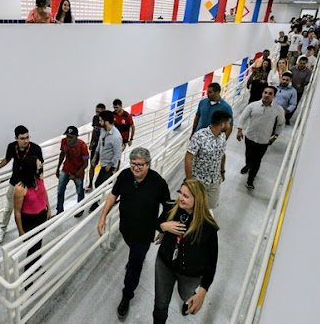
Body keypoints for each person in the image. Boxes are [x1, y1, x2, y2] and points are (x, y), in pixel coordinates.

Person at [96, 147, 171, 319]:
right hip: (126, 229)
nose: (136, 168)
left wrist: (162, 229)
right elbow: (113, 196)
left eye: (141, 165)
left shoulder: (157, 183)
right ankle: (135, 261)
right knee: (133, 255)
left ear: (148, 165)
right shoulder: (124, 176)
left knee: (134, 266)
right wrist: (102, 217)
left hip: (144, 235)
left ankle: (126, 296)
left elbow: (168, 206)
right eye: (133, 164)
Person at [153, 180, 219, 323]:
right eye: (180, 193)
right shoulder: (171, 208)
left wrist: (203, 291)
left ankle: (188, 297)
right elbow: (156, 224)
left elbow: (211, 262)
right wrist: (164, 227)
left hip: (191, 274)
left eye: (186, 196)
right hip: (164, 264)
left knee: (186, 294)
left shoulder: (208, 227)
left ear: (198, 199)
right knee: (160, 304)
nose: (181, 198)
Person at [0, 125, 44, 244]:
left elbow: (40, 166)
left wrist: (39, 183)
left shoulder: (35, 149)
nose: (26, 141)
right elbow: (6, 159)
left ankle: (27, 230)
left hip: (30, 184)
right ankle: (3, 229)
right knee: (9, 209)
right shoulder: (12, 147)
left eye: (27, 137)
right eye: (22, 138)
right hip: (15, 182)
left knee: (27, 210)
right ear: (16, 138)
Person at [237, 86, 285, 189]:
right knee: (248, 155)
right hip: (249, 137)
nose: (267, 95)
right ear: (262, 93)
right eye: (265, 92)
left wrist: (275, 136)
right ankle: (247, 165)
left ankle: (251, 179)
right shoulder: (253, 106)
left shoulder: (278, 110)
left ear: (274, 96)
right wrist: (239, 130)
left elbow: (280, 124)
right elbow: (243, 117)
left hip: (264, 140)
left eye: (270, 93)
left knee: (257, 160)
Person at [185, 110, 232, 209]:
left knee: (210, 207)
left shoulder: (222, 136)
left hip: (214, 180)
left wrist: (222, 171)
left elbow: (222, 154)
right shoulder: (199, 136)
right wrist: (190, 181)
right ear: (222, 124)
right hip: (199, 181)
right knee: (195, 207)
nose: (229, 125)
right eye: (228, 123)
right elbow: (188, 158)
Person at [13, 156, 51, 272]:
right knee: (33, 247)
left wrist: (48, 209)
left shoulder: (39, 177)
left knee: (39, 243)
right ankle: (28, 274)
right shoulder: (20, 188)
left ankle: (37, 264)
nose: (40, 163)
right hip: (29, 221)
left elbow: (44, 193)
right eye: (38, 162)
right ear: (31, 167)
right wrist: (20, 231)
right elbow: (17, 211)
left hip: (41, 215)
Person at [88, 110, 123, 212]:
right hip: (102, 161)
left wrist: (111, 165)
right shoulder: (103, 131)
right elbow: (100, 143)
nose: (99, 122)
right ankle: (115, 197)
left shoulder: (116, 137)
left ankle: (95, 203)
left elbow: (118, 153)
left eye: (101, 120)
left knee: (99, 184)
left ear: (106, 121)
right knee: (110, 182)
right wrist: (95, 157)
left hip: (109, 165)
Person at [55, 126, 89, 217]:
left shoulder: (82, 146)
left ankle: (80, 209)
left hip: (78, 171)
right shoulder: (64, 142)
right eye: (67, 136)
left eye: (71, 137)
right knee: (60, 190)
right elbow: (62, 154)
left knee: (79, 191)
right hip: (66, 169)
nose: (68, 139)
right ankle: (59, 211)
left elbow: (86, 163)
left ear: (76, 136)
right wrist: (58, 168)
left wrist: (76, 175)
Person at [87, 103, 106, 191]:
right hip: (95, 146)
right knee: (92, 165)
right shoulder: (95, 118)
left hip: (104, 147)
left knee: (104, 166)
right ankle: (90, 184)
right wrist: (91, 142)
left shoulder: (107, 121)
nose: (97, 113)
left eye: (99, 112)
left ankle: (104, 184)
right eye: (96, 111)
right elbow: (94, 130)